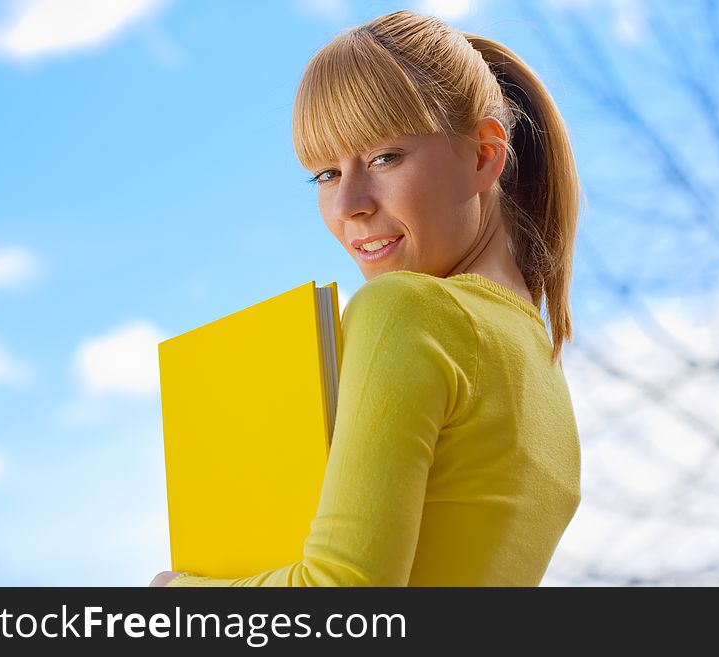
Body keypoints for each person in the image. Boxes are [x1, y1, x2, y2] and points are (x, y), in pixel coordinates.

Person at [150, 8, 583, 588]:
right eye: (324, 174)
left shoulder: (408, 311)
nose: (349, 203)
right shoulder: (545, 372)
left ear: (484, 154)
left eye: (384, 157)